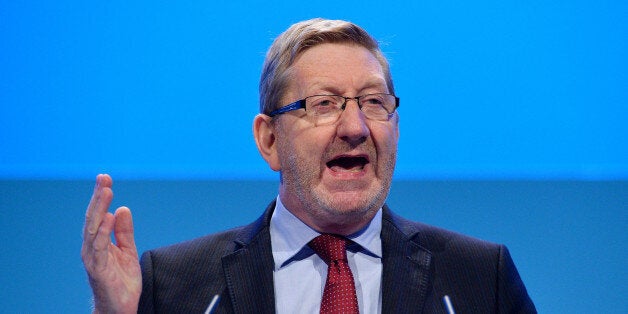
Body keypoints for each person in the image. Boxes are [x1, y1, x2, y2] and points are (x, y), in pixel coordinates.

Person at [81, 18, 536, 313]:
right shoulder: (177, 284)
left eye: (374, 102)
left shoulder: (479, 277)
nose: (355, 127)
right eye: (324, 104)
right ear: (269, 139)